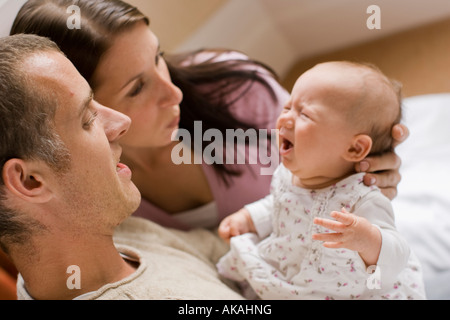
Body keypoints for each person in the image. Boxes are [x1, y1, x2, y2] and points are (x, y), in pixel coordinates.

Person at [9, 0, 408, 231]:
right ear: (85, 107)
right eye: (137, 87)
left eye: (158, 57)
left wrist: (373, 173)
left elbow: (347, 163)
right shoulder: (84, 192)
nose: (173, 91)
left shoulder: (242, 92)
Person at [0, 33, 244, 300]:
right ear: (30, 181)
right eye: (87, 118)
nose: (121, 123)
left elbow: (215, 248)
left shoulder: (120, 233)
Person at [216, 61, 425, 300]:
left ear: (355, 148)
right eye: (287, 107)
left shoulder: (361, 199)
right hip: (295, 274)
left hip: (344, 291)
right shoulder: (287, 175)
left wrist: (368, 240)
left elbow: (398, 253)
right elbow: (278, 205)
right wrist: (249, 217)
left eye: (304, 114)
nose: (285, 119)